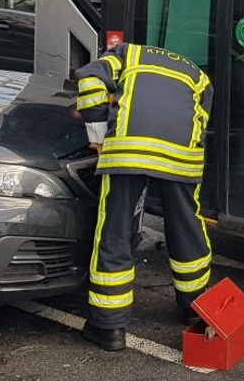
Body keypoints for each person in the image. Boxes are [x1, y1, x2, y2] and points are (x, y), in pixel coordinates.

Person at [75, 43, 214, 352]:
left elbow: (89, 81)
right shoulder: (197, 73)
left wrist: (97, 135)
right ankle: (194, 306)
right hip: (181, 156)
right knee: (186, 226)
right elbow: (201, 123)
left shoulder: (124, 54)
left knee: (115, 229)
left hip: (128, 151)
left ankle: (109, 327)